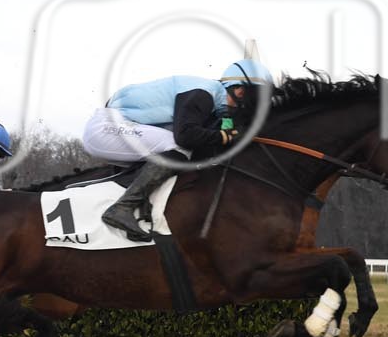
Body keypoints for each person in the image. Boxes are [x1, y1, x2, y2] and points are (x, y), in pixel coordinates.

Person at [83, 59, 275, 242]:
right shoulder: (202, 93)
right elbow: (186, 136)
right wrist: (225, 136)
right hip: (106, 128)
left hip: (119, 128)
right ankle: (123, 207)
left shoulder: (213, 99)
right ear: (240, 91)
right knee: (178, 146)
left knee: (178, 149)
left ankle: (142, 203)